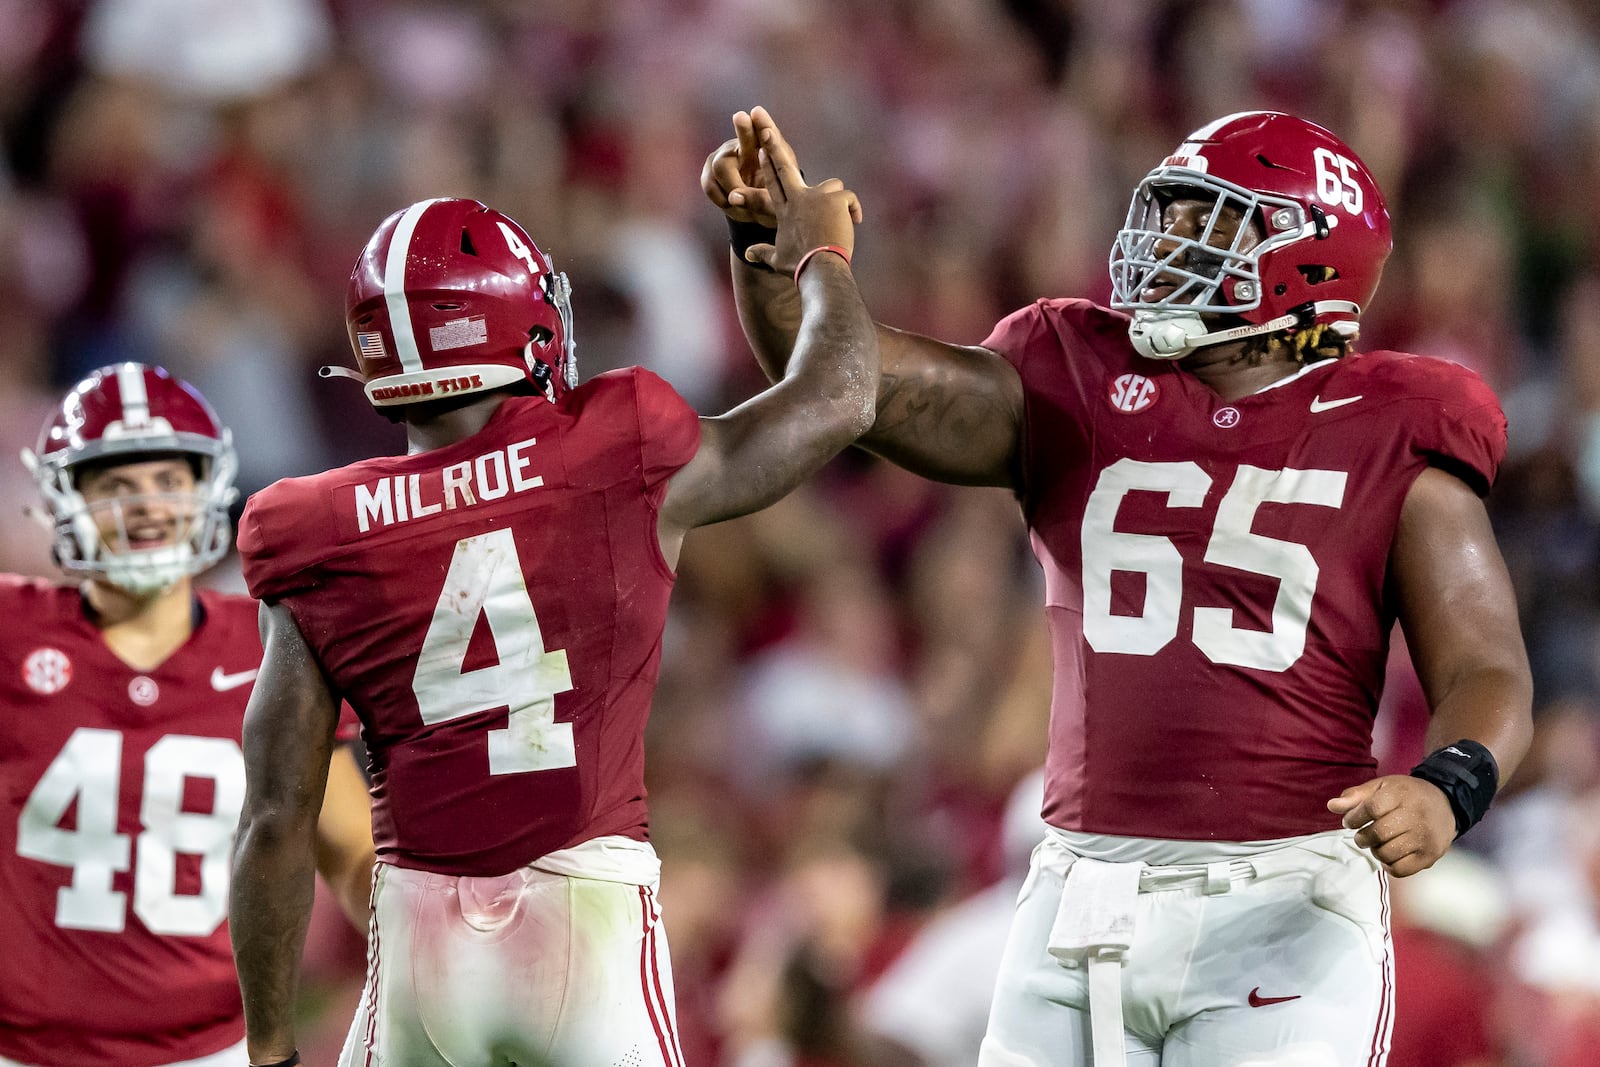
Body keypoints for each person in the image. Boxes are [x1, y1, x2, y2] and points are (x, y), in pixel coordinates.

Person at [705, 108, 1534, 1066]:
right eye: (1170, 215)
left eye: (1206, 223)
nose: (1166, 242)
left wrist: (1450, 784)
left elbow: (1486, 665)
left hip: (1283, 899)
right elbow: (850, 391)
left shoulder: (1392, 423)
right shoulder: (1080, 375)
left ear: (1306, 259)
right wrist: (776, 256)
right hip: (1080, 888)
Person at [229, 115, 876, 1067]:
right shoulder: (615, 444)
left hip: (419, 938)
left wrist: (272, 1048)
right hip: (590, 917)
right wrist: (813, 250)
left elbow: (277, 817)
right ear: (516, 322)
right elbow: (840, 398)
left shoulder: (312, 527)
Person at [0, 362, 375, 1067]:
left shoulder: (271, 644)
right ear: (66, 499)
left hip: (211, 1050)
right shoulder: (13, 630)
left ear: (207, 489)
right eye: (117, 485)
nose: (147, 506)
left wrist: (423, 950)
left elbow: (351, 851)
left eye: (168, 481)